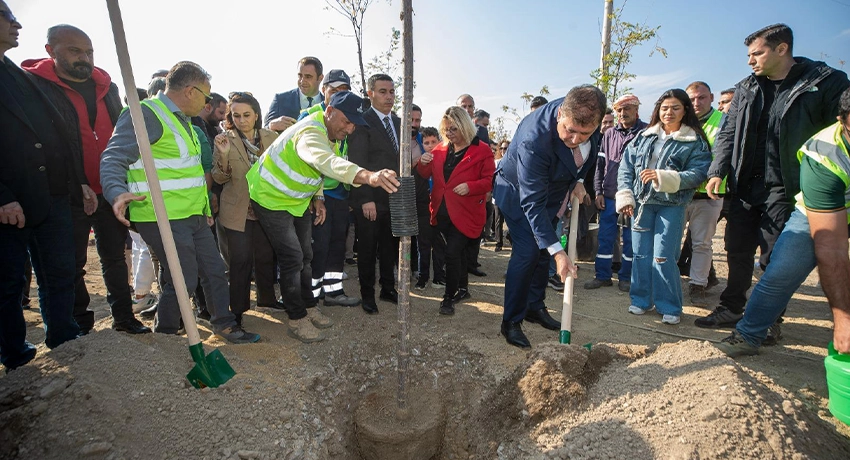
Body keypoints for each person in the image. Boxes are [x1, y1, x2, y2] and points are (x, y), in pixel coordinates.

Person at [695, 24, 849, 337]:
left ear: (782, 49)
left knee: (772, 257)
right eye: (748, 55)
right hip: (743, 185)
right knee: (737, 250)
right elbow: (727, 132)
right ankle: (731, 307)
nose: (750, 61)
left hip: (788, 186)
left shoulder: (823, 82)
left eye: (757, 53)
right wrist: (717, 170)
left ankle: (769, 322)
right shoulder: (747, 87)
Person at [100, 61, 260, 344]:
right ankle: (166, 334)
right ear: (190, 91)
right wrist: (115, 191)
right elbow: (114, 155)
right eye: (206, 96)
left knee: (213, 271)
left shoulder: (185, 120)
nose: (208, 102)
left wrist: (203, 207)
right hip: (161, 216)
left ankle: (223, 323)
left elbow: (187, 172)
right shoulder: (145, 114)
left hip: (194, 216)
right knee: (182, 277)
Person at [22, 25, 150, 336]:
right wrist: (75, 181)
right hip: (66, 192)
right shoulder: (36, 87)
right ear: (51, 50)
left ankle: (123, 316)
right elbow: (43, 141)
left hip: (110, 189)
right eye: (74, 51)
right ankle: (80, 324)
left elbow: (122, 135)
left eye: (89, 51)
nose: (84, 58)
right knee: (71, 263)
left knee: (115, 258)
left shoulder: (108, 87)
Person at [246, 90, 399, 342]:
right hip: (270, 197)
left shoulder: (330, 131)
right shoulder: (310, 132)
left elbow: (315, 168)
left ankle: (308, 306)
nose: (350, 129)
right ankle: (296, 319)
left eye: (354, 124)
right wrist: (368, 176)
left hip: (297, 200)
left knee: (306, 255)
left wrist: (317, 197)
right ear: (329, 112)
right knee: (292, 257)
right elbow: (324, 160)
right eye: (347, 122)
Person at [716, 87, 850, 357]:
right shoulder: (824, 152)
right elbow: (831, 248)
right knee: (781, 272)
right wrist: (843, 319)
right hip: (819, 213)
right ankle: (748, 333)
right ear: (842, 119)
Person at [1, 2, 82, 371]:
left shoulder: (18, 74)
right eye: (7, 17)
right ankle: (14, 354)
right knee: (8, 283)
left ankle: (62, 336)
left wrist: (77, 181)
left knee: (61, 271)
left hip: (52, 195)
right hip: (12, 202)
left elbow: (56, 133)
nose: (17, 24)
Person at [493, 85, 605, 348]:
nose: (576, 139)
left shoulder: (590, 117)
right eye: (569, 130)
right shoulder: (535, 138)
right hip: (518, 193)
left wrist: (577, 180)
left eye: (584, 133)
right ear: (560, 115)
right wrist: (559, 251)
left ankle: (534, 306)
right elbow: (531, 201)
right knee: (529, 251)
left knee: (543, 252)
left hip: (554, 194)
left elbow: (586, 157)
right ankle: (510, 320)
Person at [616, 89, 712, 325]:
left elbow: (699, 173)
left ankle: (669, 305)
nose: (669, 112)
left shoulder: (693, 141)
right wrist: (626, 196)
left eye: (675, 108)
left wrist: (663, 177)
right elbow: (626, 168)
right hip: (641, 204)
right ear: (658, 110)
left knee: (663, 257)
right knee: (640, 254)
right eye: (665, 108)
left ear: (685, 111)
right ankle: (640, 300)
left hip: (672, 205)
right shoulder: (644, 136)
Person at [418, 107, 495, 316]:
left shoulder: (482, 150)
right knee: (456, 253)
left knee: (451, 254)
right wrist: (423, 162)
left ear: (465, 126)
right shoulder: (441, 149)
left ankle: (448, 297)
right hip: (441, 211)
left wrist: (471, 186)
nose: (450, 133)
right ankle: (463, 289)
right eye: (447, 129)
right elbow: (425, 174)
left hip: (466, 213)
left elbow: (488, 181)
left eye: (454, 128)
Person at [211, 92, 280, 324]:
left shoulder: (271, 137)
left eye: (246, 115)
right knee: (239, 260)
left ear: (256, 115)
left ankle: (267, 299)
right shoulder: (225, 140)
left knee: (265, 256)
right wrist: (222, 156)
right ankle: (238, 310)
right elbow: (219, 178)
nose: (242, 120)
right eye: (236, 115)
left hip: (265, 208)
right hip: (237, 210)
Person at [296, 69, 362, 307]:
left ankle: (334, 292)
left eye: (343, 91)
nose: (337, 96)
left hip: (340, 194)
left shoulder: (348, 119)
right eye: (333, 91)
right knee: (317, 246)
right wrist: (318, 195)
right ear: (324, 90)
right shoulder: (310, 116)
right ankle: (311, 297)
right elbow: (312, 159)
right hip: (317, 195)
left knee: (337, 242)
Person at [348, 74, 402, 315]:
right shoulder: (363, 123)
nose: (388, 96)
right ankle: (367, 295)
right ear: (370, 94)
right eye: (382, 91)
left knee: (390, 247)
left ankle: (388, 288)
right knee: (368, 249)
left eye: (391, 91)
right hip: (370, 200)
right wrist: (365, 198)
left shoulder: (399, 123)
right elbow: (357, 163)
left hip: (394, 199)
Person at [586, 94, 646, 292]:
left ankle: (626, 277)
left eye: (627, 108)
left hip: (633, 197)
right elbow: (600, 166)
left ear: (636, 109)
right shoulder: (609, 134)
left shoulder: (646, 132)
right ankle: (602, 276)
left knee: (630, 239)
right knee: (605, 238)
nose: (623, 113)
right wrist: (598, 191)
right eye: (619, 110)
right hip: (609, 195)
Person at [677, 82, 726, 301]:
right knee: (672, 240)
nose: (697, 102)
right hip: (681, 194)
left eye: (702, 97)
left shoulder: (724, 122)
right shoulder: (680, 123)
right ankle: (670, 281)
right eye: (692, 99)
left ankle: (698, 285)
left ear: (711, 97)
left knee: (702, 243)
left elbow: (722, 155)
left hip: (708, 195)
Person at [413, 126, 447, 289]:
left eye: (434, 141)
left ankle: (439, 277)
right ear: (422, 144)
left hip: (440, 208)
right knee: (423, 245)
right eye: (426, 142)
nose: (430, 145)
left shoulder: (446, 159)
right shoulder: (419, 163)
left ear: (440, 141)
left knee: (440, 243)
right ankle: (422, 277)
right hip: (423, 209)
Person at [265, 56, 324, 133]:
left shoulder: (329, 104)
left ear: (320, 78)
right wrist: (271, 126)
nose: (302, 81)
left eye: (308, 77)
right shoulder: (280, 100)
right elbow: (263, 133)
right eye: (300, 75)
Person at [493, 139, 510, 252]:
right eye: (502, 148)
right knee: (498, 219)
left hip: (510, 196)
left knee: (510, 220)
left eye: (506, 148)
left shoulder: (515, 161)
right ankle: (499, 243)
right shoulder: (496, 162)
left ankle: (511, 237)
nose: (503, 150)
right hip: (498, 194)